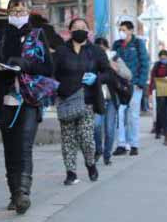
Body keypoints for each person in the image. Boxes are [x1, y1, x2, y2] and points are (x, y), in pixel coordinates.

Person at [0, 0, 54, 215]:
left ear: (29, 12)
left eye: (22, 11)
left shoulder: (38, 35)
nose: (18, 15)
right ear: (7, 13)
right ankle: (14, 194)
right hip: (6, 98)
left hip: (29, 99)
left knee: (24, 147)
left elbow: (47, 68)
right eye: (14, 11)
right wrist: (2, 68)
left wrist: (25, 64)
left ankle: (23, 193)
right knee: (10, 149)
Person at [53, 18, 109, 185]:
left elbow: (108, 73)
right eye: (76, 28)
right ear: (70, 31)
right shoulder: (61, 51)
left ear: (88, 31)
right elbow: (51, 73)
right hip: (66, 101)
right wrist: (57, 88)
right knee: (68, 139)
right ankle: (71, 172)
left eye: (83, 28)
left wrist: (97, 78)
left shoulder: (96, 51)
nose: (79, 30)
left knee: (86, 138)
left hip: (87, 100)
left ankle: (90, 164)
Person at [112, 21, 150, 156]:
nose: (121, 32)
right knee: (120, 114)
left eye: (123, 29)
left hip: (134, 84)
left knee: (132, 116)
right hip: (120, 85)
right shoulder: (116, 45)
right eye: (119, 29)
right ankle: (121, 144)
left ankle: (134, 145)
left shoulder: (138, 44)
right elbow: (112, 62)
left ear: (130, 30)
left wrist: (141, 82)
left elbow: (145, 63)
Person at [93, 38, 132, 166]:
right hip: (97, 98)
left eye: (102, 49)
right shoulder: (92, 59)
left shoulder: (115, 59)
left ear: (106, 47)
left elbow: (128, 75)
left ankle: (107, 155)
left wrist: (115, 68)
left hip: (111, 99)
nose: (100, 52)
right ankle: (98, 150)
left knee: (109, 129)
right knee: (96, 126)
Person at [149, 50, 167, 144]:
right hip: (161, 88)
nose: (163, 60)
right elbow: (152, 78)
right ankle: (159, 130)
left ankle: (163, 131)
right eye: (162, 58)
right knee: (160, 111)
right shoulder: (157, 65)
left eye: (165, 58)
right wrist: (150, 92)